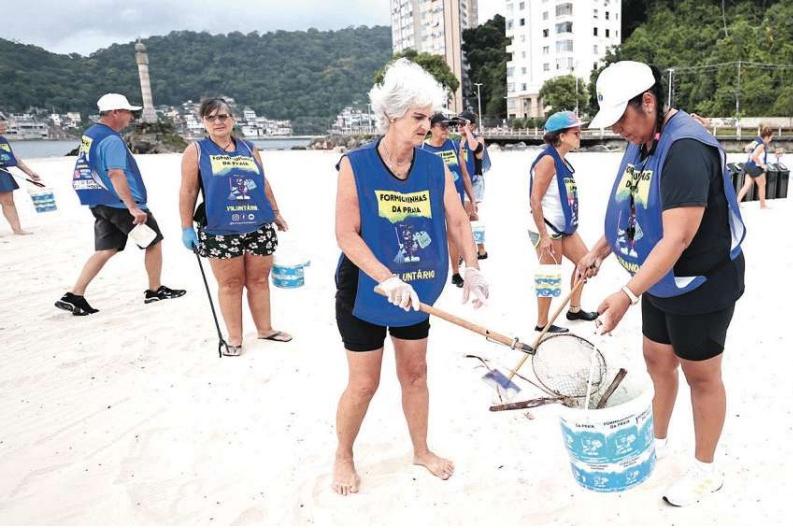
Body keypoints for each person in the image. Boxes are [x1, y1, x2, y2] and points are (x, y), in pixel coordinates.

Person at [579, 61, 746, 507]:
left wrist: (627, 294)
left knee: (701, 374)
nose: (617, 129)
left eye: (621, 118)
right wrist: (599, 250)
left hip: (700, 281)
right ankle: (658, 439)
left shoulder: (686, 149)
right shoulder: (643, 139)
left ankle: (706, 471)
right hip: (657, 280)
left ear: (648, 102)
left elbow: (678, 237)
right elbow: (632, 210)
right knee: (657, 358)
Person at [332, 58, 489, 496]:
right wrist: (386, 278)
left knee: (415, 373)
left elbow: (458, 222)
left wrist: (472, 268)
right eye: (417, 117)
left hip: (415, 290)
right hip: (365, 288)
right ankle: (343, 454)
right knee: (364, 382)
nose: (425, 126)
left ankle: (421, 449)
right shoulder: (356, 164)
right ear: (391, 115)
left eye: (429, 118)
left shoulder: (432, 165)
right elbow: (346, 234)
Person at [55, 93, 185, 316]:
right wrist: (133, 207)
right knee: (153, 241)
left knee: (107, 249)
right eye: (128, 112)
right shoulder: (111, 140)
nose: (131, 117)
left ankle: (74, 295)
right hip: (121, 205)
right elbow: (115, 173)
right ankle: (155, 290)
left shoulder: (91, 134)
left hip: (100, 201)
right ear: (115, 112)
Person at [179, 98, 290, 356]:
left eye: (223, 116)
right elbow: (188, 190)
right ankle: (235, 338)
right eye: (211, 118)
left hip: (258, 225)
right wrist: (186, 227)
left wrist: (275, 212)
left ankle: (265, 329)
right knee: (230, 284)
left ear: (233, 119)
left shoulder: (249, 148)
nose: (218, 122)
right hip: (220, 229)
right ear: (203, 122)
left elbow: (262, 183)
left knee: (259, 280)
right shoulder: (196, 151)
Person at [529, 111, 598, 333]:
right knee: (549, 274)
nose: (580, 134)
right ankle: (542, 323)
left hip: (564, 227)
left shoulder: (561, 160)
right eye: (575, 131)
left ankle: (574, 309)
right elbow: (534, 199)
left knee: (585, 263)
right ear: (560, 136)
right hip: (547, 228)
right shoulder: (548, 160)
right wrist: (544, 235)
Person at [422, 113, 477, 287]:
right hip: (433, 201)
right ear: (431, 128)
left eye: (448, 126)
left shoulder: (453, 145)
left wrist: (472, 199)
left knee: (454, 235)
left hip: (456, 199)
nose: (447, 130)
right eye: (442, 126)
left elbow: (465, 174)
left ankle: (455, 272)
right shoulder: (423, 150)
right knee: (433, 236)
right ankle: (429, 271)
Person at [0, 119, 43, 234]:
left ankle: (17, 229)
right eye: (2, 125)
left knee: (8, 201)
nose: (4, 127)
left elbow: (14, 158)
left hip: (2, 173)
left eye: (4, 124)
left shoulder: (3, 140)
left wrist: (30, 172)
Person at [459, 110, 491, 259]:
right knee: (472, 216)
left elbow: (474, 148)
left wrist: (467, 131)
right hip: (462, 182)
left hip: (475, 182)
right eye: (458, 123)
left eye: (462, 123)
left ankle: (461, 253)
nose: (459, 126)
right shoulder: (459, 141)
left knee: (464, 216)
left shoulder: (478, 139)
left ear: (471, 126)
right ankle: (481, 250)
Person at [736, 126, 773, 207]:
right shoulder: (761, 145)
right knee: (762, 185)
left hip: (748, 166)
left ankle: (737, 201)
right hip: (756, 168)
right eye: (770, 138)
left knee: (747, 185)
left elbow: (746, 148)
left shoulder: (756, 140)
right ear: (766, 137)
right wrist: (762, 165)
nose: (771, 140)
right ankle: (763, 205)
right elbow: (754, 156)